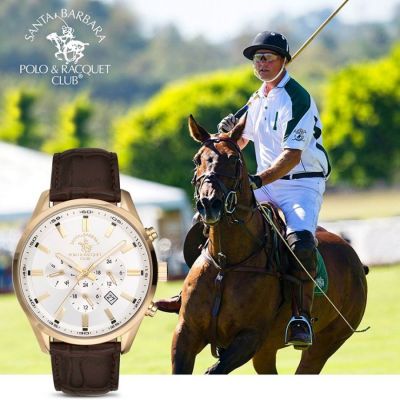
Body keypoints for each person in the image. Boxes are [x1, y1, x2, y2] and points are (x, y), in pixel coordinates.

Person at [156, 31, 331, 350]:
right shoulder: (257, 99)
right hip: (263, 181)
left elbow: (292, 155)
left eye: (268, 58)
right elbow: (237, 143)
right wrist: (225, 135)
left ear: (284, 61)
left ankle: (300, 317)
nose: (261, 63)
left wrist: (258, 180)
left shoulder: (298, 98)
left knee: (301, 243)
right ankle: (189, 293)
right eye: (257, 59)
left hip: (300, 183)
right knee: (206, 219)